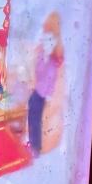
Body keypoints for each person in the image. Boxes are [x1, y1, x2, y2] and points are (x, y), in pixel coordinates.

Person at [27, 12, 64, 157]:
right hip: (37, 91)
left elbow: (52, 81)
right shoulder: (42, 56)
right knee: (31, 115)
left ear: (54, 43)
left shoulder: (53, 64)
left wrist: (48, 95)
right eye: (45, 40)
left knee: (36, 119)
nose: (47, 44)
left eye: (50, 41)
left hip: (42, 94)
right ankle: (32, 143)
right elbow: (37, 71)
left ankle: (35, 147)